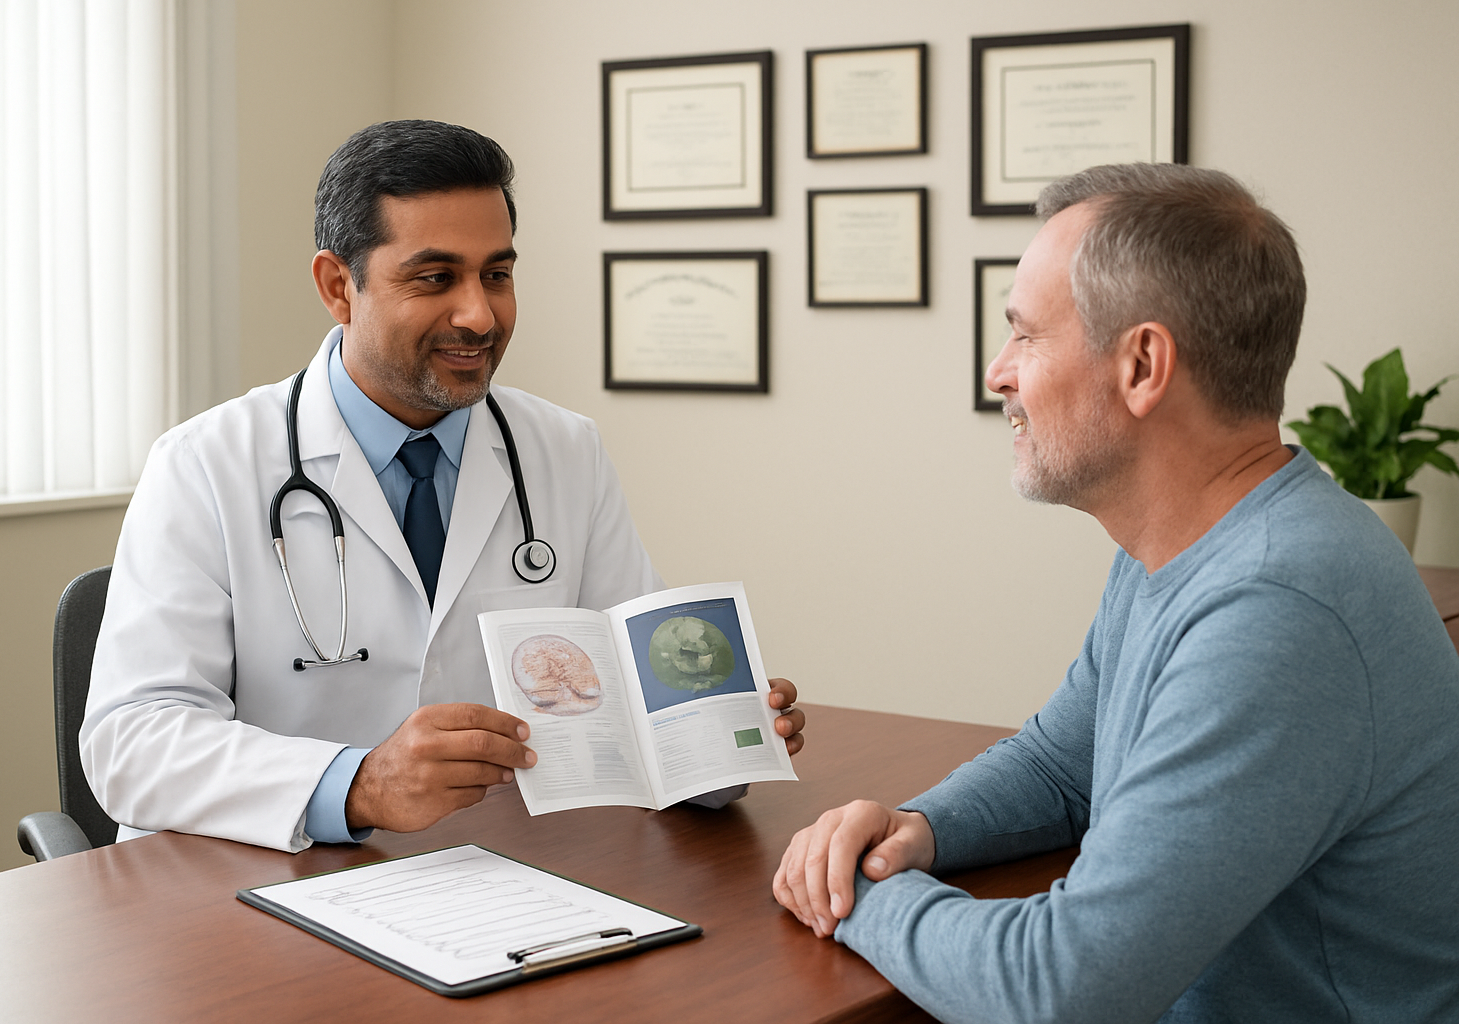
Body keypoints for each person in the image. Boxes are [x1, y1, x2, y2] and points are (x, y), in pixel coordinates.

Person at [773, 163, 1459, 1022]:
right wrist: (918, 828)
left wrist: (858, 896)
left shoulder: (1279, 605)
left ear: (1142, 364)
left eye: (1025, 336)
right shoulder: (1183, 545)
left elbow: (1060, 990)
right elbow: (1068, 764)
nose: (998, 373)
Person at [81, 121, 804, 854]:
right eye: (435, 278)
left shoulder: (562, 449)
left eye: (496, 274)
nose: (480, 316)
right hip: (258, 888)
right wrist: (359, 783)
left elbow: (637, 688)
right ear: (339, 287)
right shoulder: (206, 464)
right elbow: (132, 741)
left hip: (492, 880)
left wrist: (721, 735)